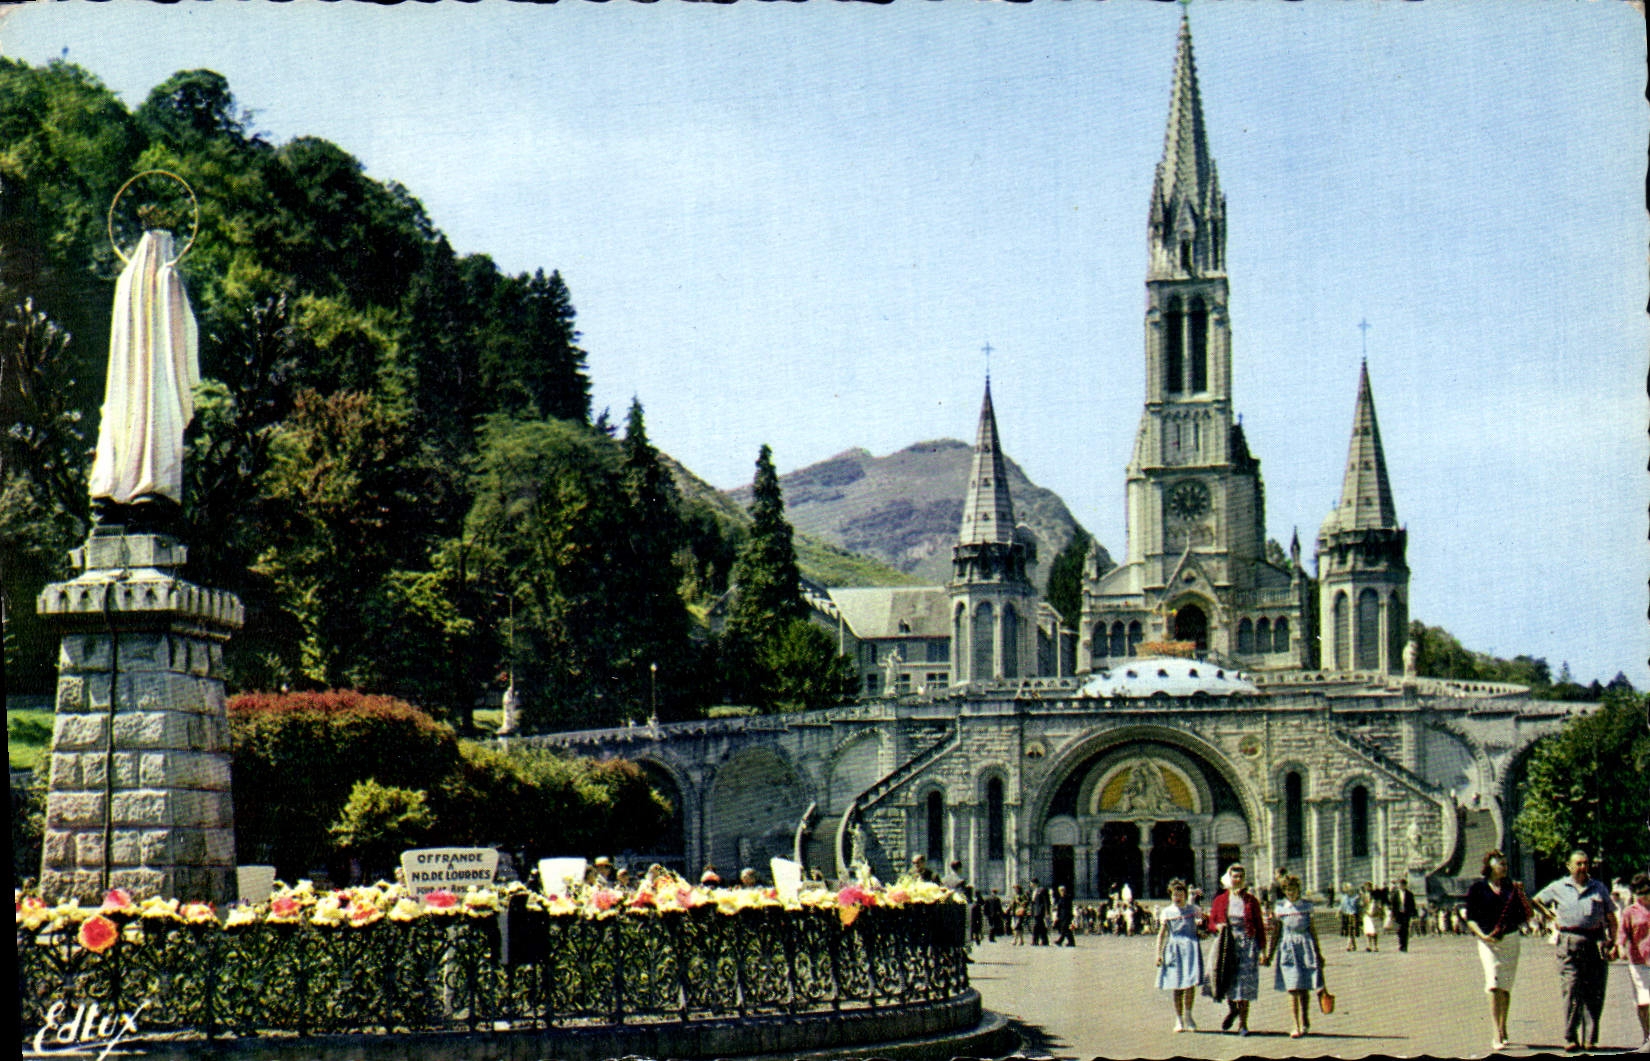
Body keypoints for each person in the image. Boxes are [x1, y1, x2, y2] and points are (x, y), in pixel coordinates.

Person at [1531, 849, 1619, 1052]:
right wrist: (1549, 915)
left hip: (1595, 942)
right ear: (1569, 866)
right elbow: (1535, 901)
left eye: (1585, 863)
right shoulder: (1558, 886)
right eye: (1578, 864)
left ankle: (1590, 1039)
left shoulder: (1599, 888)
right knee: (1571, 990)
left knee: (1594, 992)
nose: (1582, 867)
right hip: (1569, 943)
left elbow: (1612, 918)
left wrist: (1613, 943)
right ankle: (1570, 1037)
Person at [1466, 849, 1533, 1052]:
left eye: (1505, 864)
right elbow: (1470, 917)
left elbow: (1527, 914)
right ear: (1490, 866)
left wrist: (1522, 894)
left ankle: (1504, 1027)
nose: (1504, 867)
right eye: (1500, 864)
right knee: (1493, 983)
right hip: (1488, 942)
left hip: (1510, 940)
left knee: (1505, 986)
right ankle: (1496, 1032)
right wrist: (1482, 935)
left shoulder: (1512, 887)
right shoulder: (1478, 888)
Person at [1208, 862, 1266, 1036]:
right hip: (1227, 944)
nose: (1238, 880)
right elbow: (1211, 921)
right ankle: (1232, 1009)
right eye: (1235, 876)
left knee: (1244, 984)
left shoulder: (1251, 901)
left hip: (1247, 944)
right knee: (1225, 979)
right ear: (1229, 878)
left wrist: (1263, 950)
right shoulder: (1221, 899)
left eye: (1241, 877)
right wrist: (1217, 927)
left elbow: (1259, 925)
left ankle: (1243, 1023)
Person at [1263, 873, 1324, 1039]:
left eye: (1294, 889)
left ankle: (1305, 1020)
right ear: (1284, 891)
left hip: (1305, 947)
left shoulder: (1306, 907)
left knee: (1303, 988)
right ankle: (1295, 1024)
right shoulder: (1281, 908)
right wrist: (1270, 954)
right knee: (1293, 987)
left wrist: (1318, 953)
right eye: (1288, 890)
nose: (1291, 893)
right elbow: (1276, 933)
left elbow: (1312, 930)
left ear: (1299, 890)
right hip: (1288, 948)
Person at [1155, 878, 1205, 1032]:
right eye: (1174, 895)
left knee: (1190, 984)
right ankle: (1179, 1019)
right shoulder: (1167, 912)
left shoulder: (1193, 909)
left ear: (1185, 894)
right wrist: (1158, 954)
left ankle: (1189, 1016)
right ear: (1170, 896)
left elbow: (1203, 925)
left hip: (1191, 948)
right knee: (1176, 985)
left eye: (1180, 894)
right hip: (1174, 949)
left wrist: (1202, 928)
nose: (1177, 898)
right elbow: (1161, 934)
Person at [1616, 873, 1650, 1052]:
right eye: (1640, 893)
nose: (1643, 896)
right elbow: (1623, 932)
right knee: (1643, 1002)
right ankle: (1647, 1034)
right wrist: (1620, 946)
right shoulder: (1630, 911)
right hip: (1638, 961)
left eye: (1646, 892)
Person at [1393, 879, 1419, 952]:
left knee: (1405, 930)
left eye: (1403, 885)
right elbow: (1394, 905)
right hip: (1398, 914)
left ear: (1405, 885)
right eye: (1400, 885)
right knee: (1399, 930)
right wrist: (1393, 915)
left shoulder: (1409, 894)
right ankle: (1401, 943)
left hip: (1406, 914)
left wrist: (1414, 914)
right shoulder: (1396, 894)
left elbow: (1412, 905)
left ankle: (1404, 946)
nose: (1402, 886)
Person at [1338, 882, 1362, 952]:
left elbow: (1357, 906)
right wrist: (1338, 912)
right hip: (1346, 915)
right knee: (1349, 931)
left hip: (1353, 915)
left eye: (1347, 888)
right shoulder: (1343, 897)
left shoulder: (1355, 896)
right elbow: (1341, 905)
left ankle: (1348, 946)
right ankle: (1354, 945)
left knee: (1351, 930)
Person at [1362, 883, 1384, 952]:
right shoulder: (1364, 895)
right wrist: (1365, 911)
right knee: (1368, 931)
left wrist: (1379, 912)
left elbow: (1379, 904)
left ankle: (1375, 946)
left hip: (1374, 915)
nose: (1367, 888)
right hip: (1367, 915)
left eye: (1368, 887)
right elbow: (1362, 905)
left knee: (1374, 931)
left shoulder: (1375, 894)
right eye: (1366, 887)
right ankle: (1368, 945)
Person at [1030, 879, 1052, 946]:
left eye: (1031, 883)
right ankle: (1045, 941)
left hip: (1040, 911)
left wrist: (1047, 912)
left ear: (1035, 883)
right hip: (1035, 911)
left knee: (1036, 926)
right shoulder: (1033, 891)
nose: (1030, 885)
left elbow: (1046, 902)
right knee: (1041, 927)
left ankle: (1035, 941)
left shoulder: (1042, 890)